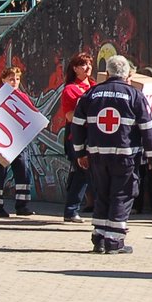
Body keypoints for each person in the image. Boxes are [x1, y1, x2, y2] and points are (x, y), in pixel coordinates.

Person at [70, 55, 152, 255]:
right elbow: (147, 129)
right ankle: (114, 240)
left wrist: (80, 153)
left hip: (97, 156)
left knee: (102, 194)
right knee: (122, 195)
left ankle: (99, 238)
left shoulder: (90, 94)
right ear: (128, 74)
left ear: (108, 73)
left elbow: (76, 126)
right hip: (125, 157)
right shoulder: (134, 95)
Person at [0, 66, 35, 218]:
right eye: (11, 79)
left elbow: (32, 115)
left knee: (23, 171)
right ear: (3, 80)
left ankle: (22, 205)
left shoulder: (23, 97)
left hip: (19, 142)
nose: (15, 82)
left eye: (17, 79)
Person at [55, 52, 94, 223]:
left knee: (85, 173)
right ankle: (71, 210)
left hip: (94, 136)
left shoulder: (95, 86)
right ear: (75, 68)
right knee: (81, 172)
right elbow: (69, 115)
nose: (88, 67)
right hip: (77, 137)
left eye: (89, 64)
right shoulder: (70, 89)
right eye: (83, 64)